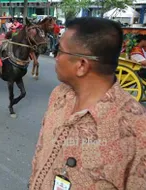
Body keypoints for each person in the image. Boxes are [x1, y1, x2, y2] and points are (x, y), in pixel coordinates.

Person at [29, 17, 146, 190]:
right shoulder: (58, 95)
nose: (55, 57)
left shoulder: (137, 131)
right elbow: (40, 152)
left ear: (82, 65)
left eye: (59, 50)